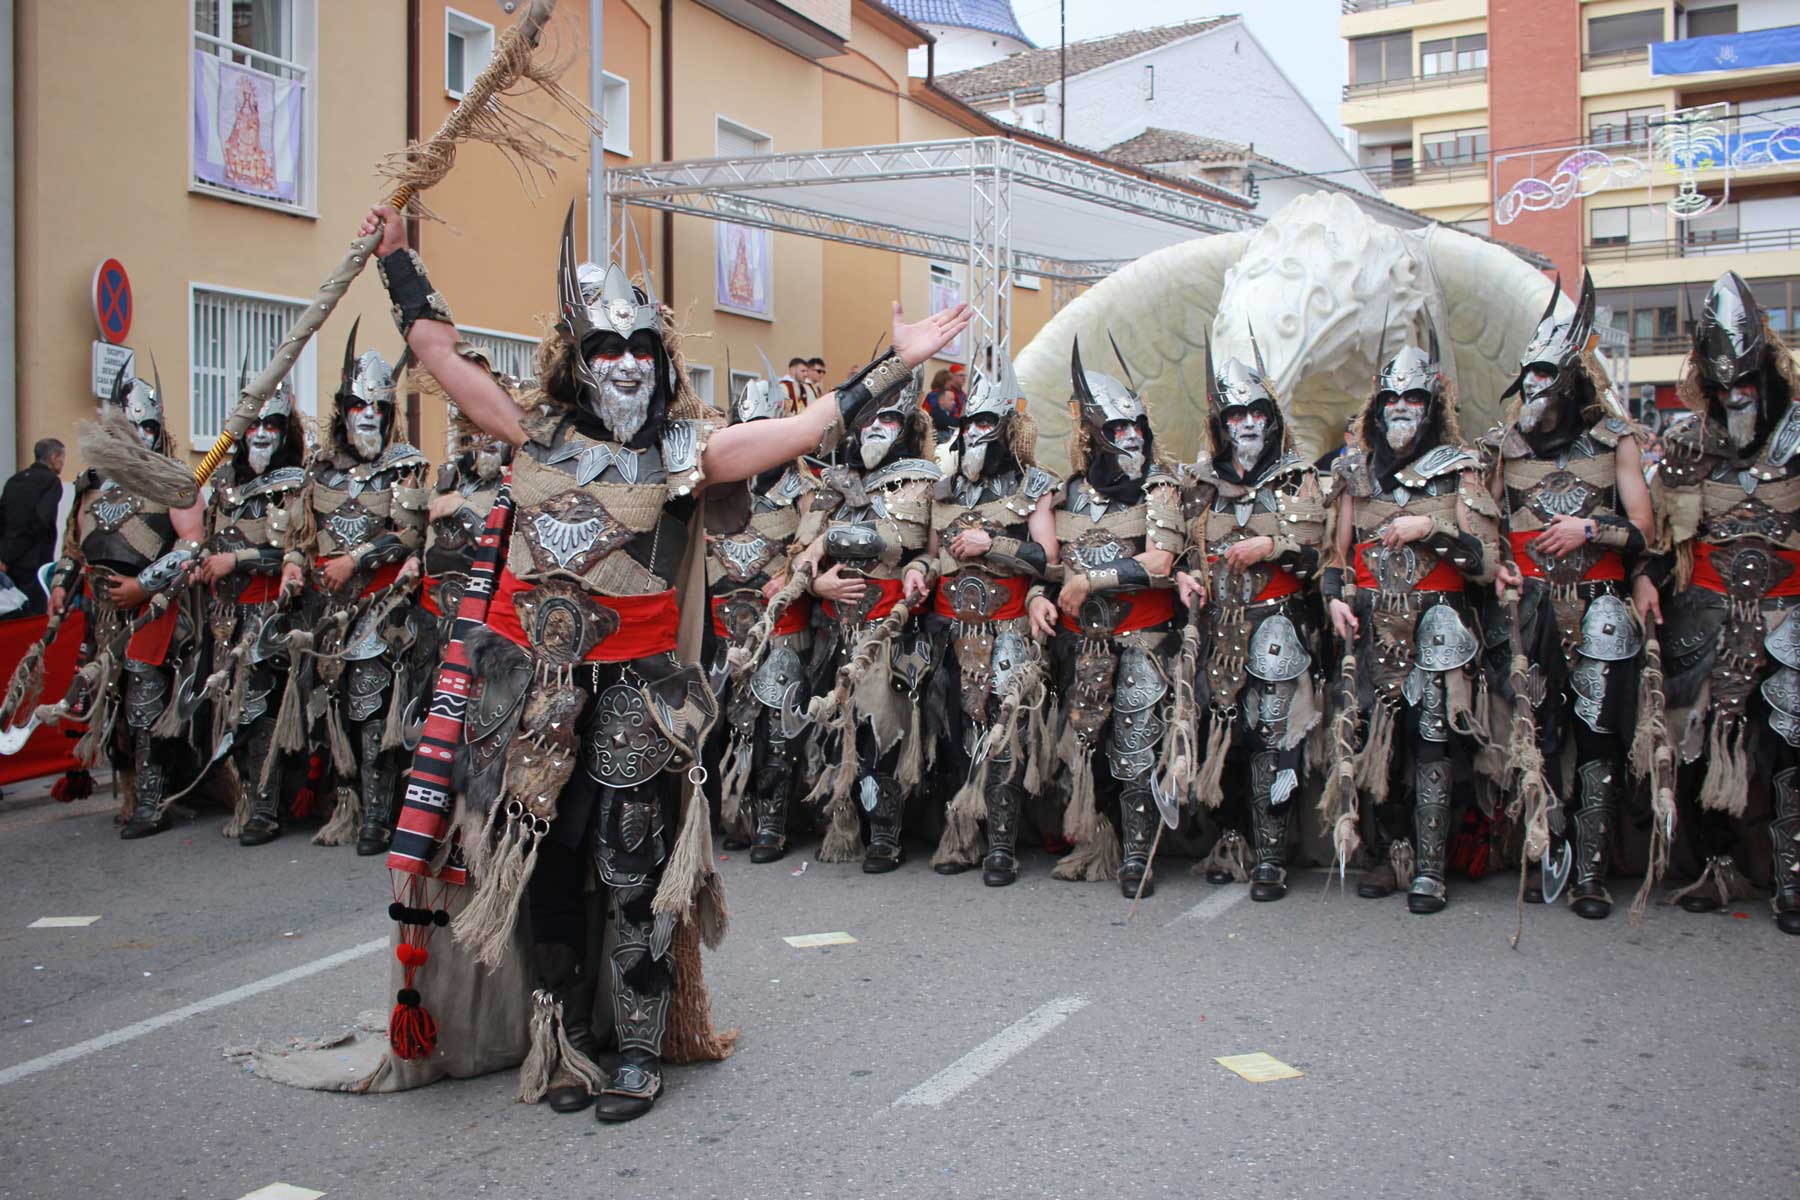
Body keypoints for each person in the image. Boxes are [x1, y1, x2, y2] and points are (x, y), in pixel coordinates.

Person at [364, 200, 969, 1120]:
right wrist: (398, 264)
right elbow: (442, 357)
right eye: (607, 349)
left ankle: (643, 1052)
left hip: (637, 701)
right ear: (578, 361)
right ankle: (562, 1041)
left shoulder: (690, 456)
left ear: (660, 362)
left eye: (641, 348)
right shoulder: (537, 438)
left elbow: (809, 429)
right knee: (549, 876)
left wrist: (899, 363)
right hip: (537, 699)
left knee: (632, 869)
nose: (625, 364)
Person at [1483, 274, 1655, 920]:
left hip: (1600, 607)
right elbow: (1487, 529)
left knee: (1599, 739)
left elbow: (1647, 529)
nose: (1531, 391)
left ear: (1568, 382)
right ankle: (1544, 848)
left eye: (1543, 380)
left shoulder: (1616, 441)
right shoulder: (1500, 451)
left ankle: (1590, 870)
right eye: (1525, 379)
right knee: (1540, 735)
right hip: (1530, 613)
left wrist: (1591, 529)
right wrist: (1498, 566)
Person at [1320, 333, 1501, 914]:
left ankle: (1429, 867)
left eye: (1413, 399)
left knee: (1432, 741)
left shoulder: (1461, 470)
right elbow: (1335, 554)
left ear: (1431, 406)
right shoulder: (1354, 471)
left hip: (1438, 623)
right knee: (1378, 739)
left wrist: (1433, 531)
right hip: (1374, 625)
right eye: (1392, 398)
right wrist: (1333, 600)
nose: (1401, 407)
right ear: (1379, 406)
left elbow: (1486, 558)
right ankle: (1386, 854)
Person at [1646, 271, 1800, 934]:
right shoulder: (1687, 445)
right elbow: (1661, 535)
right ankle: (1715, 868)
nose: (1737, 397)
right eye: (1724, 386)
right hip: (1705, 614)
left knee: (1792, 748)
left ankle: (1792, 882)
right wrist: (1648, 578)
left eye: (1746, 384)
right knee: (1698, 747)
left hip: (1787, 613)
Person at [1029, 338, 1186, 898]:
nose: (1131, 438)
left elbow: (1161, 560)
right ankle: (1103, 846)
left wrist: (1092, 580)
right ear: (1093, 435)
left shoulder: (1161, 486)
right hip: (1082, 645)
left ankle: (1138, 855)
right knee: (1085, 748)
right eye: (1118, 431)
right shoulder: (1068, 493)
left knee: (1135, 746)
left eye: (1136, 427)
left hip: (1142, 639)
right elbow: (1049, 568)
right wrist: (1036, 599)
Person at [1174, 336, 1328, 902]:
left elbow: (1319, 555)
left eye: (1254, 412)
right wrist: (1181, 579)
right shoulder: (1198, 485)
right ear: (1221, 422)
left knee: (1274, 738)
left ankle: (1269, 856)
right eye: (1234, 413)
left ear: (1271, 418)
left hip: (1276, 627)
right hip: (1218, 632)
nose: (1245, 422)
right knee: (1227, 738)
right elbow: (1178, 555)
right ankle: (1232, 841)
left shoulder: (1297, 477)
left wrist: (1274, 545)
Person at [278, 323, 430, 857]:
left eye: (378, 409)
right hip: (325, 613)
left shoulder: (405, 467)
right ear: (343, 412)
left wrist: (356, 560)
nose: (368, 416)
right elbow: (299, 538)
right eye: (359, 407)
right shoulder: (316, 470)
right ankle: (345, 808)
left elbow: (411, 535)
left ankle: (377, 817)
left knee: (370, 710)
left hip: (378, 608)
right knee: (331, 710)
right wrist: (293, 568)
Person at [38, 363, 206, 839]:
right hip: (100, 613)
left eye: (147, 427)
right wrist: (60, 587)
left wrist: (143, 587)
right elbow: (74, 547)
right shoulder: (89, 484)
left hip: (151, 610)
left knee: (145, 704)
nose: (140, 436)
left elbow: (191, 544)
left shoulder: (174, 480)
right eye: (131, 428)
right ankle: (131, 792)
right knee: (110, 705)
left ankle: (155, 802)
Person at [790, 367, 941, 874]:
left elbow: (931, 554)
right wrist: (817, 583)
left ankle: (885, 835)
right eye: (868, 419)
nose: (876, 428)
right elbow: (803, 554)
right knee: (835, 732)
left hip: (889, 632)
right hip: (836, 629)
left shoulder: (923, 482)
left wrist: (919, 569)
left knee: (881, 733)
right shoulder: (831, 485)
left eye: (889, 419)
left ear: (907, 426)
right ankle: (842, 829)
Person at [922, 351, 1058, 886]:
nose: (975, 433)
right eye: (968, 422)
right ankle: (961, 836)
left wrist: (993, 542)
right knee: (956, 735)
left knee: (1003, 733)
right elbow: (932, 555)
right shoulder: (942, 484)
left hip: (1007, 628)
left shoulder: (1033, 484)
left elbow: (1047, 558)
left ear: (1005, 428)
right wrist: (918, 571)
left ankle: (1002, 844)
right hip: (951, 629)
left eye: (985, 423)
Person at [705, 363, 816, 863]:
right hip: (723, 622)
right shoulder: (716, 480)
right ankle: (740, 813)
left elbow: (814, 544)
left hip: (780, 626)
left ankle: (773, 822)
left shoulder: (805, 485)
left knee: (777, 723)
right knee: (731, 723)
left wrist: (794, 575)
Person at [199, 374, 309, 846]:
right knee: (230, 709)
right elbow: (208, 539)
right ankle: (241, 797)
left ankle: (265, 807)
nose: (261, 432)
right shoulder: (221, 481)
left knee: (263, 709)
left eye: (272, 423)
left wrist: (238, 559)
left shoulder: (296, 483)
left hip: (270, 614)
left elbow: (297, 549)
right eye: (253, 423)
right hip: (224, 617)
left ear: (285, 430)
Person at [0, 438, 66, 615]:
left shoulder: (14, 480)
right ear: (53, 457)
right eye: (62, 458)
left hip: (8, 563)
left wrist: (4, 557)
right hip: (34, 561)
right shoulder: (51, 482)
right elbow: (41, 521)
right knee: (32, 616)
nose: (62, 464)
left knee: (11, 614)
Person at [923, 369, 960, 435]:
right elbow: (939, 416)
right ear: (943, 381)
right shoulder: (934, 395)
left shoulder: (948, 393)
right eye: (949, 380)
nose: (951, 383)